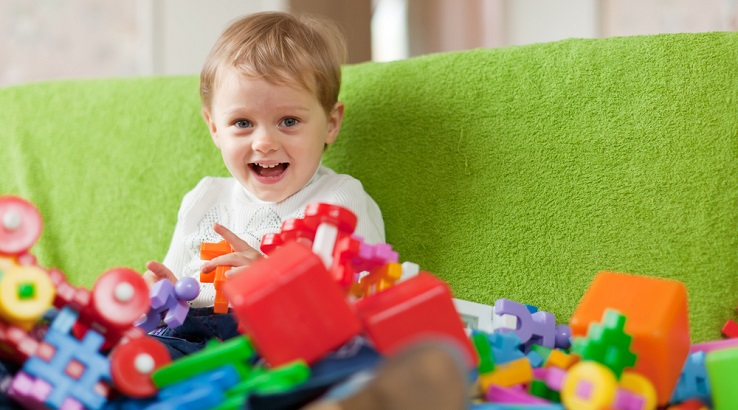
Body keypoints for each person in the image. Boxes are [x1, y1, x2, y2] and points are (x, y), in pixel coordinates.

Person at [140, 11, 468, 410]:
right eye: (242, 123)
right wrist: (158, 292)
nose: (264, 142)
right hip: (192, 340)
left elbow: (354, 303)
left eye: (288, 121)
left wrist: (271, 283)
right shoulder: (204, 197)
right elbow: (176, 287)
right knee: (140, 356)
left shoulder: (339, 199)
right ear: (214, 127)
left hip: (278, 342)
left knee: (335, 363)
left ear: (330, 124)